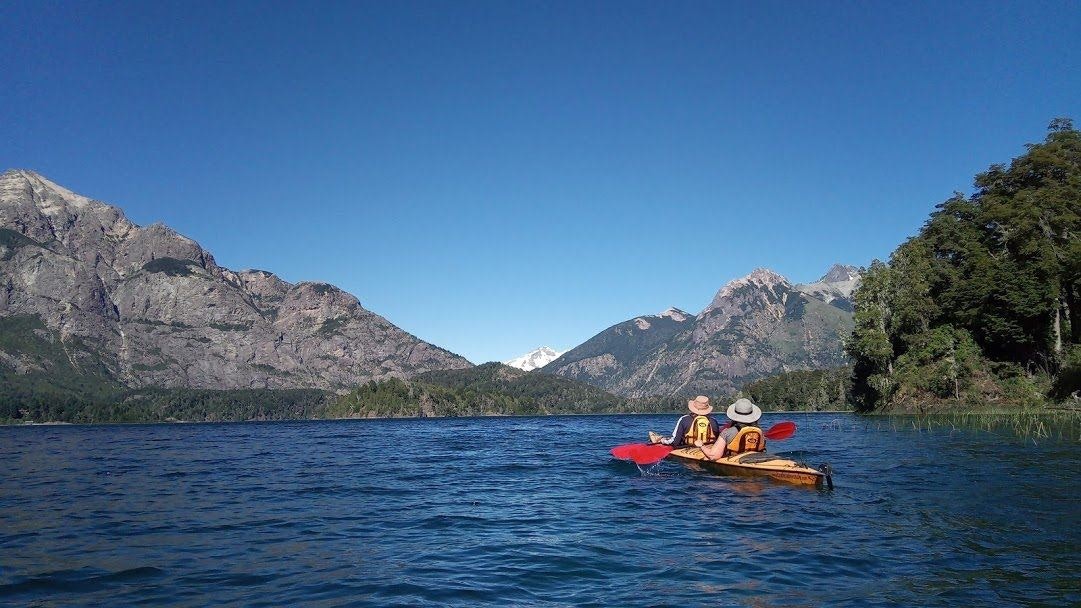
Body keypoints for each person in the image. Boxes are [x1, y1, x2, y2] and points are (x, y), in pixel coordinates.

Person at [702, 398, 766, 460]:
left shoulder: (727, 433)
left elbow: (713, 456)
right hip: (757, 459)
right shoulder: (760, 432)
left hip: (735, 459)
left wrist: (701, 445)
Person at [652, 396, 721, 448]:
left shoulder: (684, 419)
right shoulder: (714, 421)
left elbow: (676, 442)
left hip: (688, 448)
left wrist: (663, 441)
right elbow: (717, 441)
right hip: (708, 448)